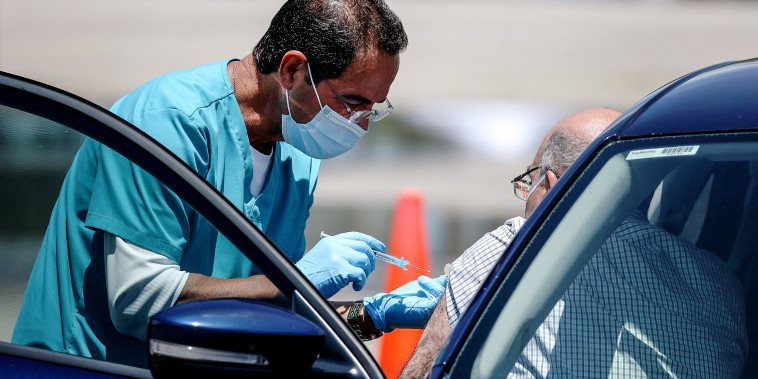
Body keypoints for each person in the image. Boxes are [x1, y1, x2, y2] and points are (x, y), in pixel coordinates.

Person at [13, 0, 445, 368]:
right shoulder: (166, 124)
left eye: (376, 107)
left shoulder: (297, 155)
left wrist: (376, 314)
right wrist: (293, 281)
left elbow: (269, 315)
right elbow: (139, 301)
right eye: (354, 102)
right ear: (293, 70)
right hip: (85, 367)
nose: (363, 124)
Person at [400, 108, 747, 377]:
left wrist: (364, 318)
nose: (524, 199)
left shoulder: (509, 248)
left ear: (551, 184)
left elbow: (423, 372)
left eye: (528, 182)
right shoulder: (719, 281)